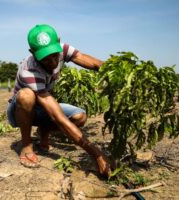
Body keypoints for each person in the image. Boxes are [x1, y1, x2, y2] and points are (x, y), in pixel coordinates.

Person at [7, 24, 115, 177]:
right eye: (45, 58)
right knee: (27, 95)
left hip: (40, 107)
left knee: (80, 116)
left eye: (54, 55)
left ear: (58, 41)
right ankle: (26, 144)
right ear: (32, 53)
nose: (52, 62)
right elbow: (58, 117)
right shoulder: (29, 71)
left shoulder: (62, 49)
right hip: (19, 110)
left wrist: (116, 73)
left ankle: (43, 130)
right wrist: (96, 154)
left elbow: (92, 63)